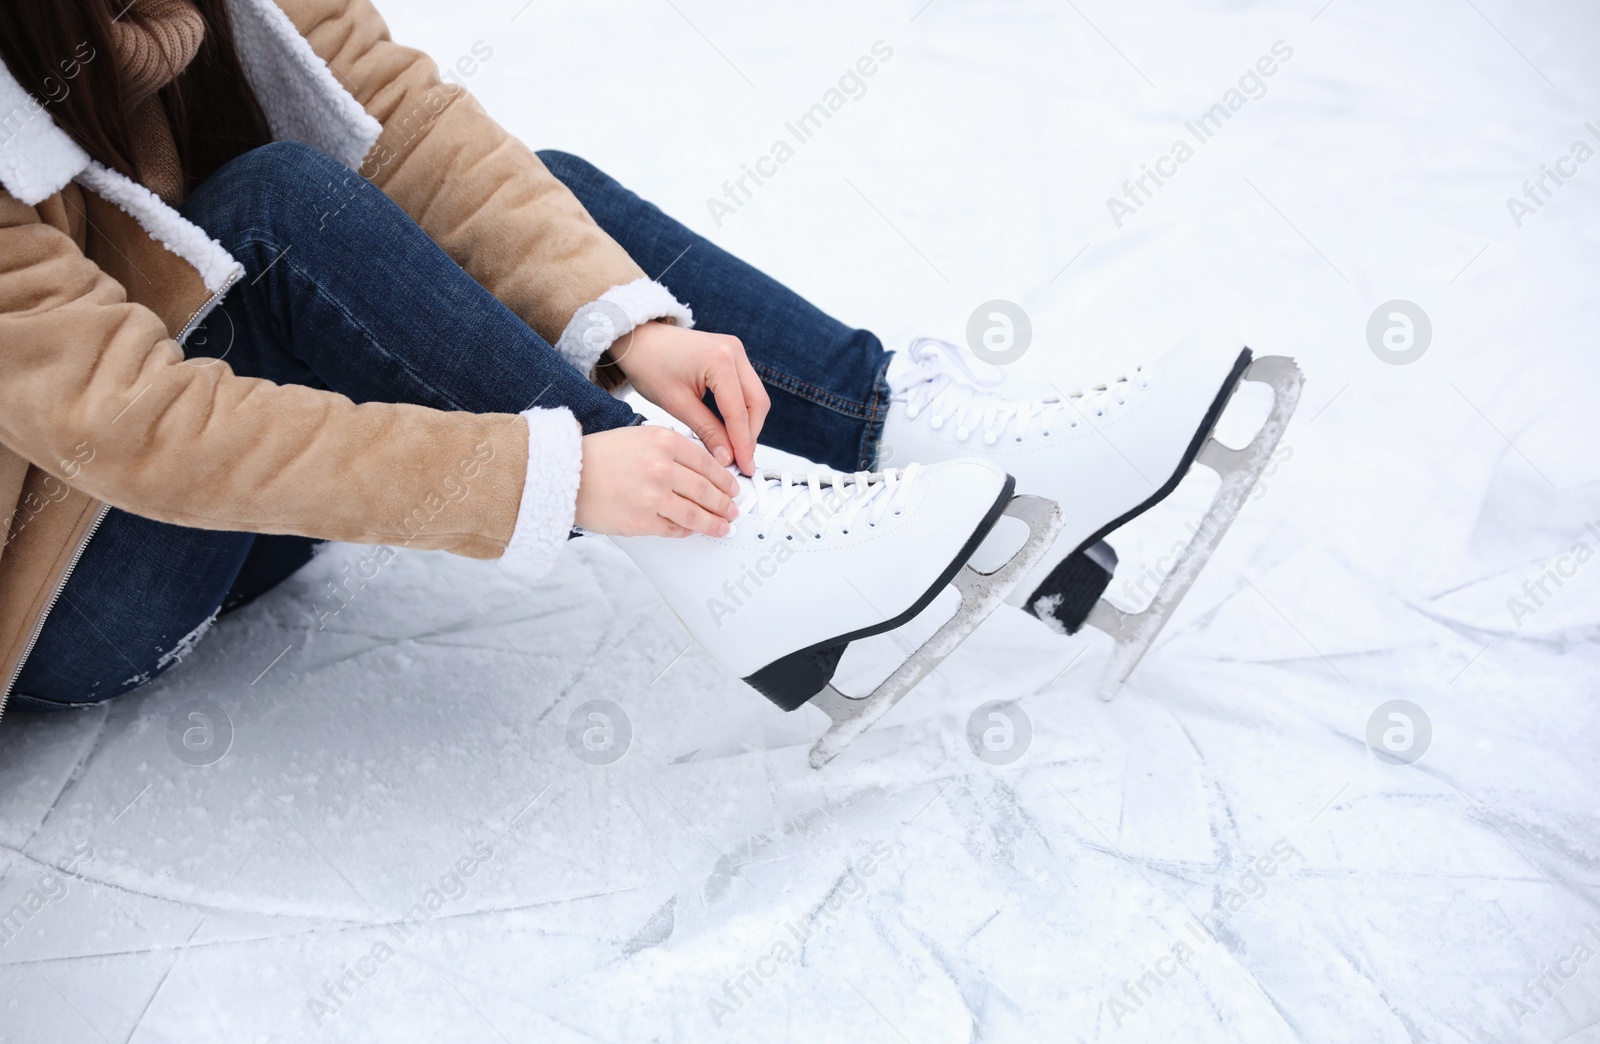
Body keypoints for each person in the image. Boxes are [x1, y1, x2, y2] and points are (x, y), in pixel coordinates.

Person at [0, 0, 1294, 740]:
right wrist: (557, 472)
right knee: (284, 203)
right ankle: (727, 549)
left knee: (528, 199)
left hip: (245, 504)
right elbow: (133, 424)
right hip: (67, 593)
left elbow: (406, 122)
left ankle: (916, 437)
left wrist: (629, 328)